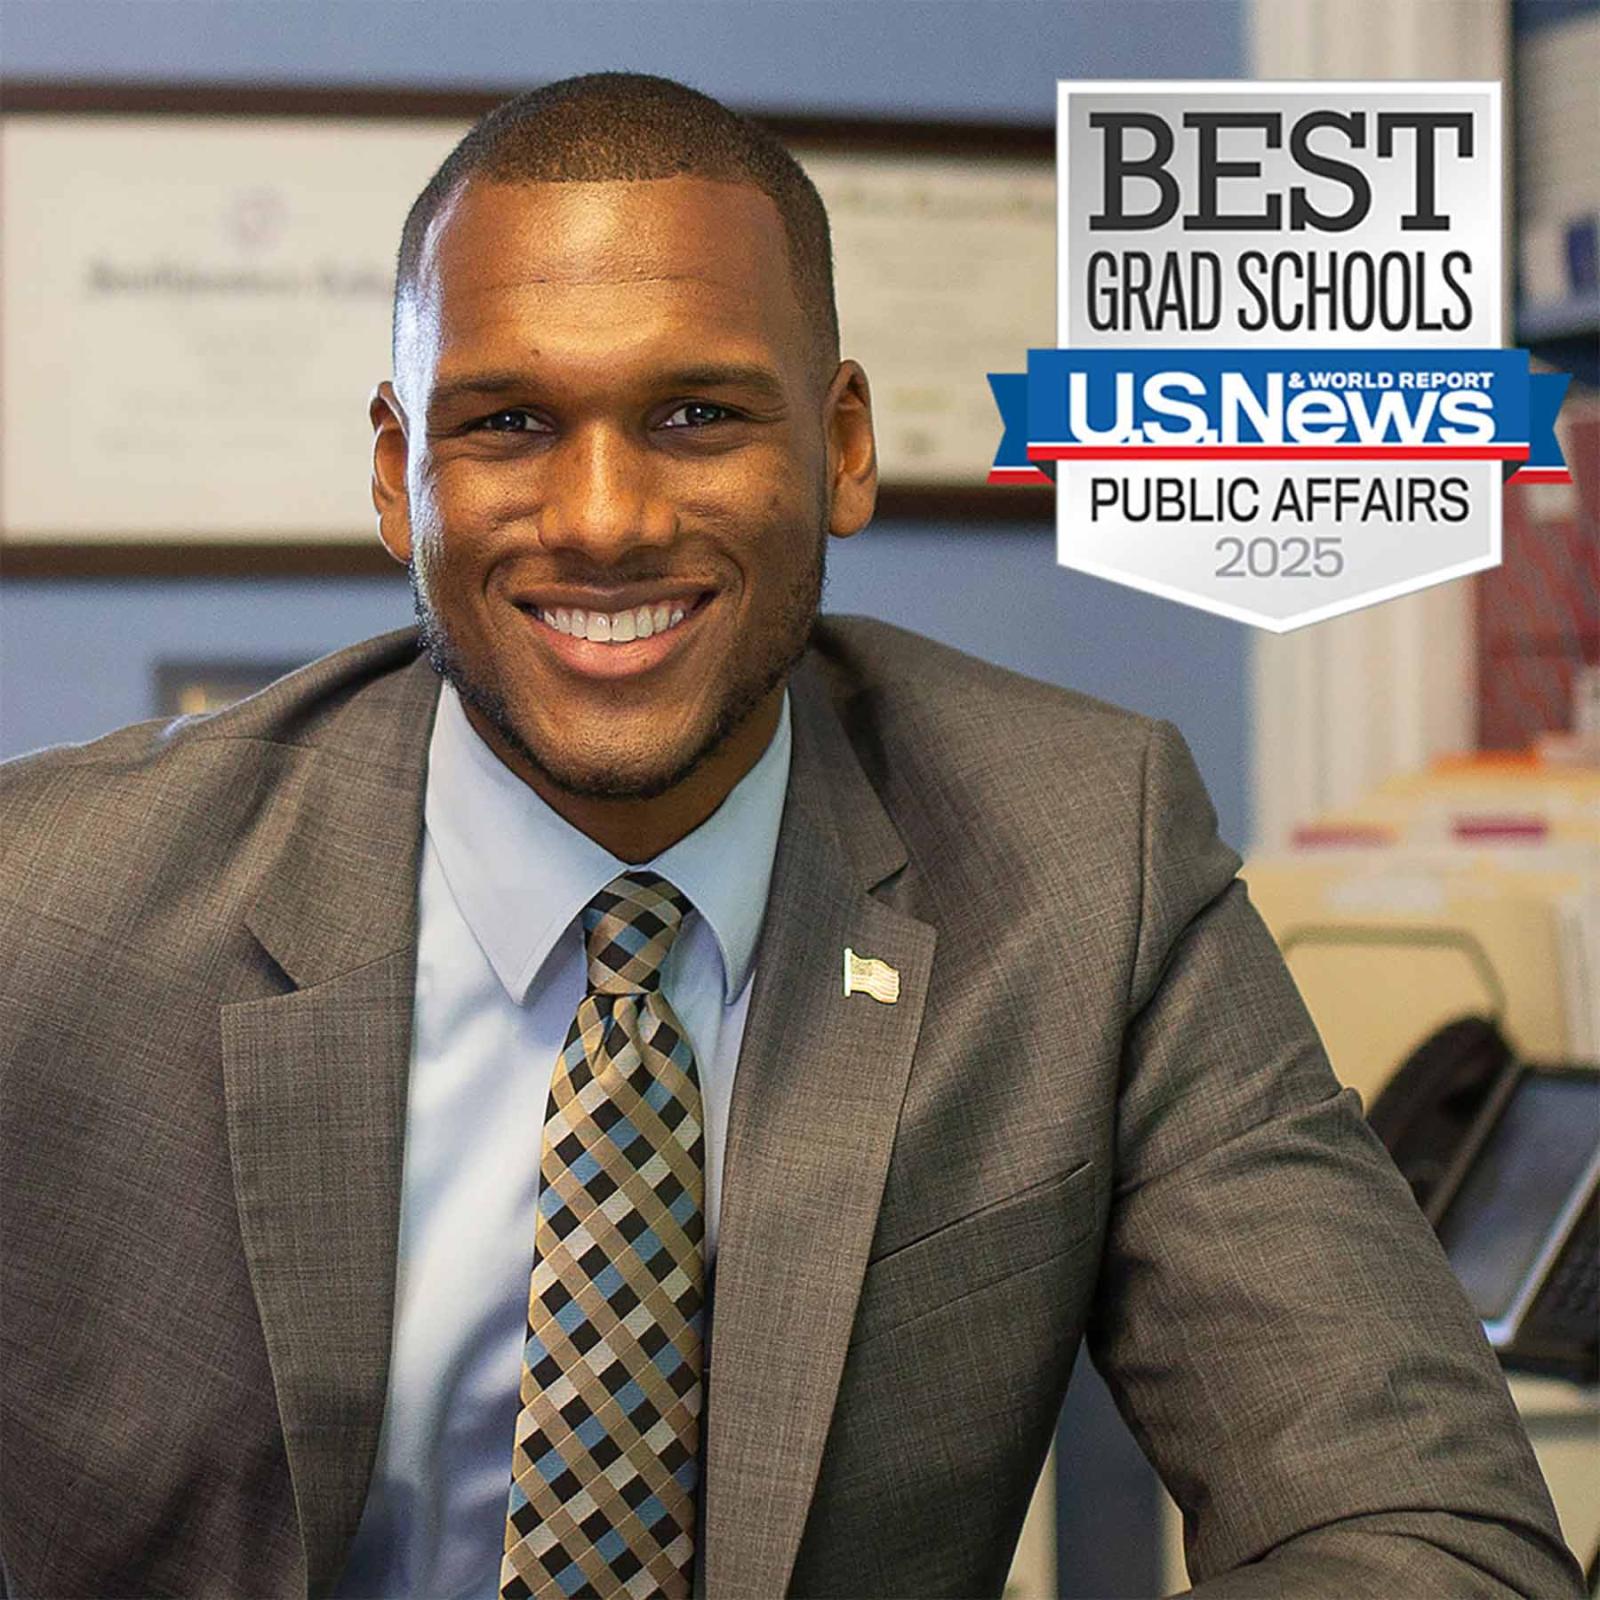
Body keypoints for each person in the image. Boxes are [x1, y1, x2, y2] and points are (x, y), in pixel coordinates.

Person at [0, 72, 1585, 1600]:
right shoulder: (52, 903)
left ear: (839, 449)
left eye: (696, 412)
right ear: (399, 472)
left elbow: (1434, 1538)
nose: (605, 516)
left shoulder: (1088, 858)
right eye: (508, 423)